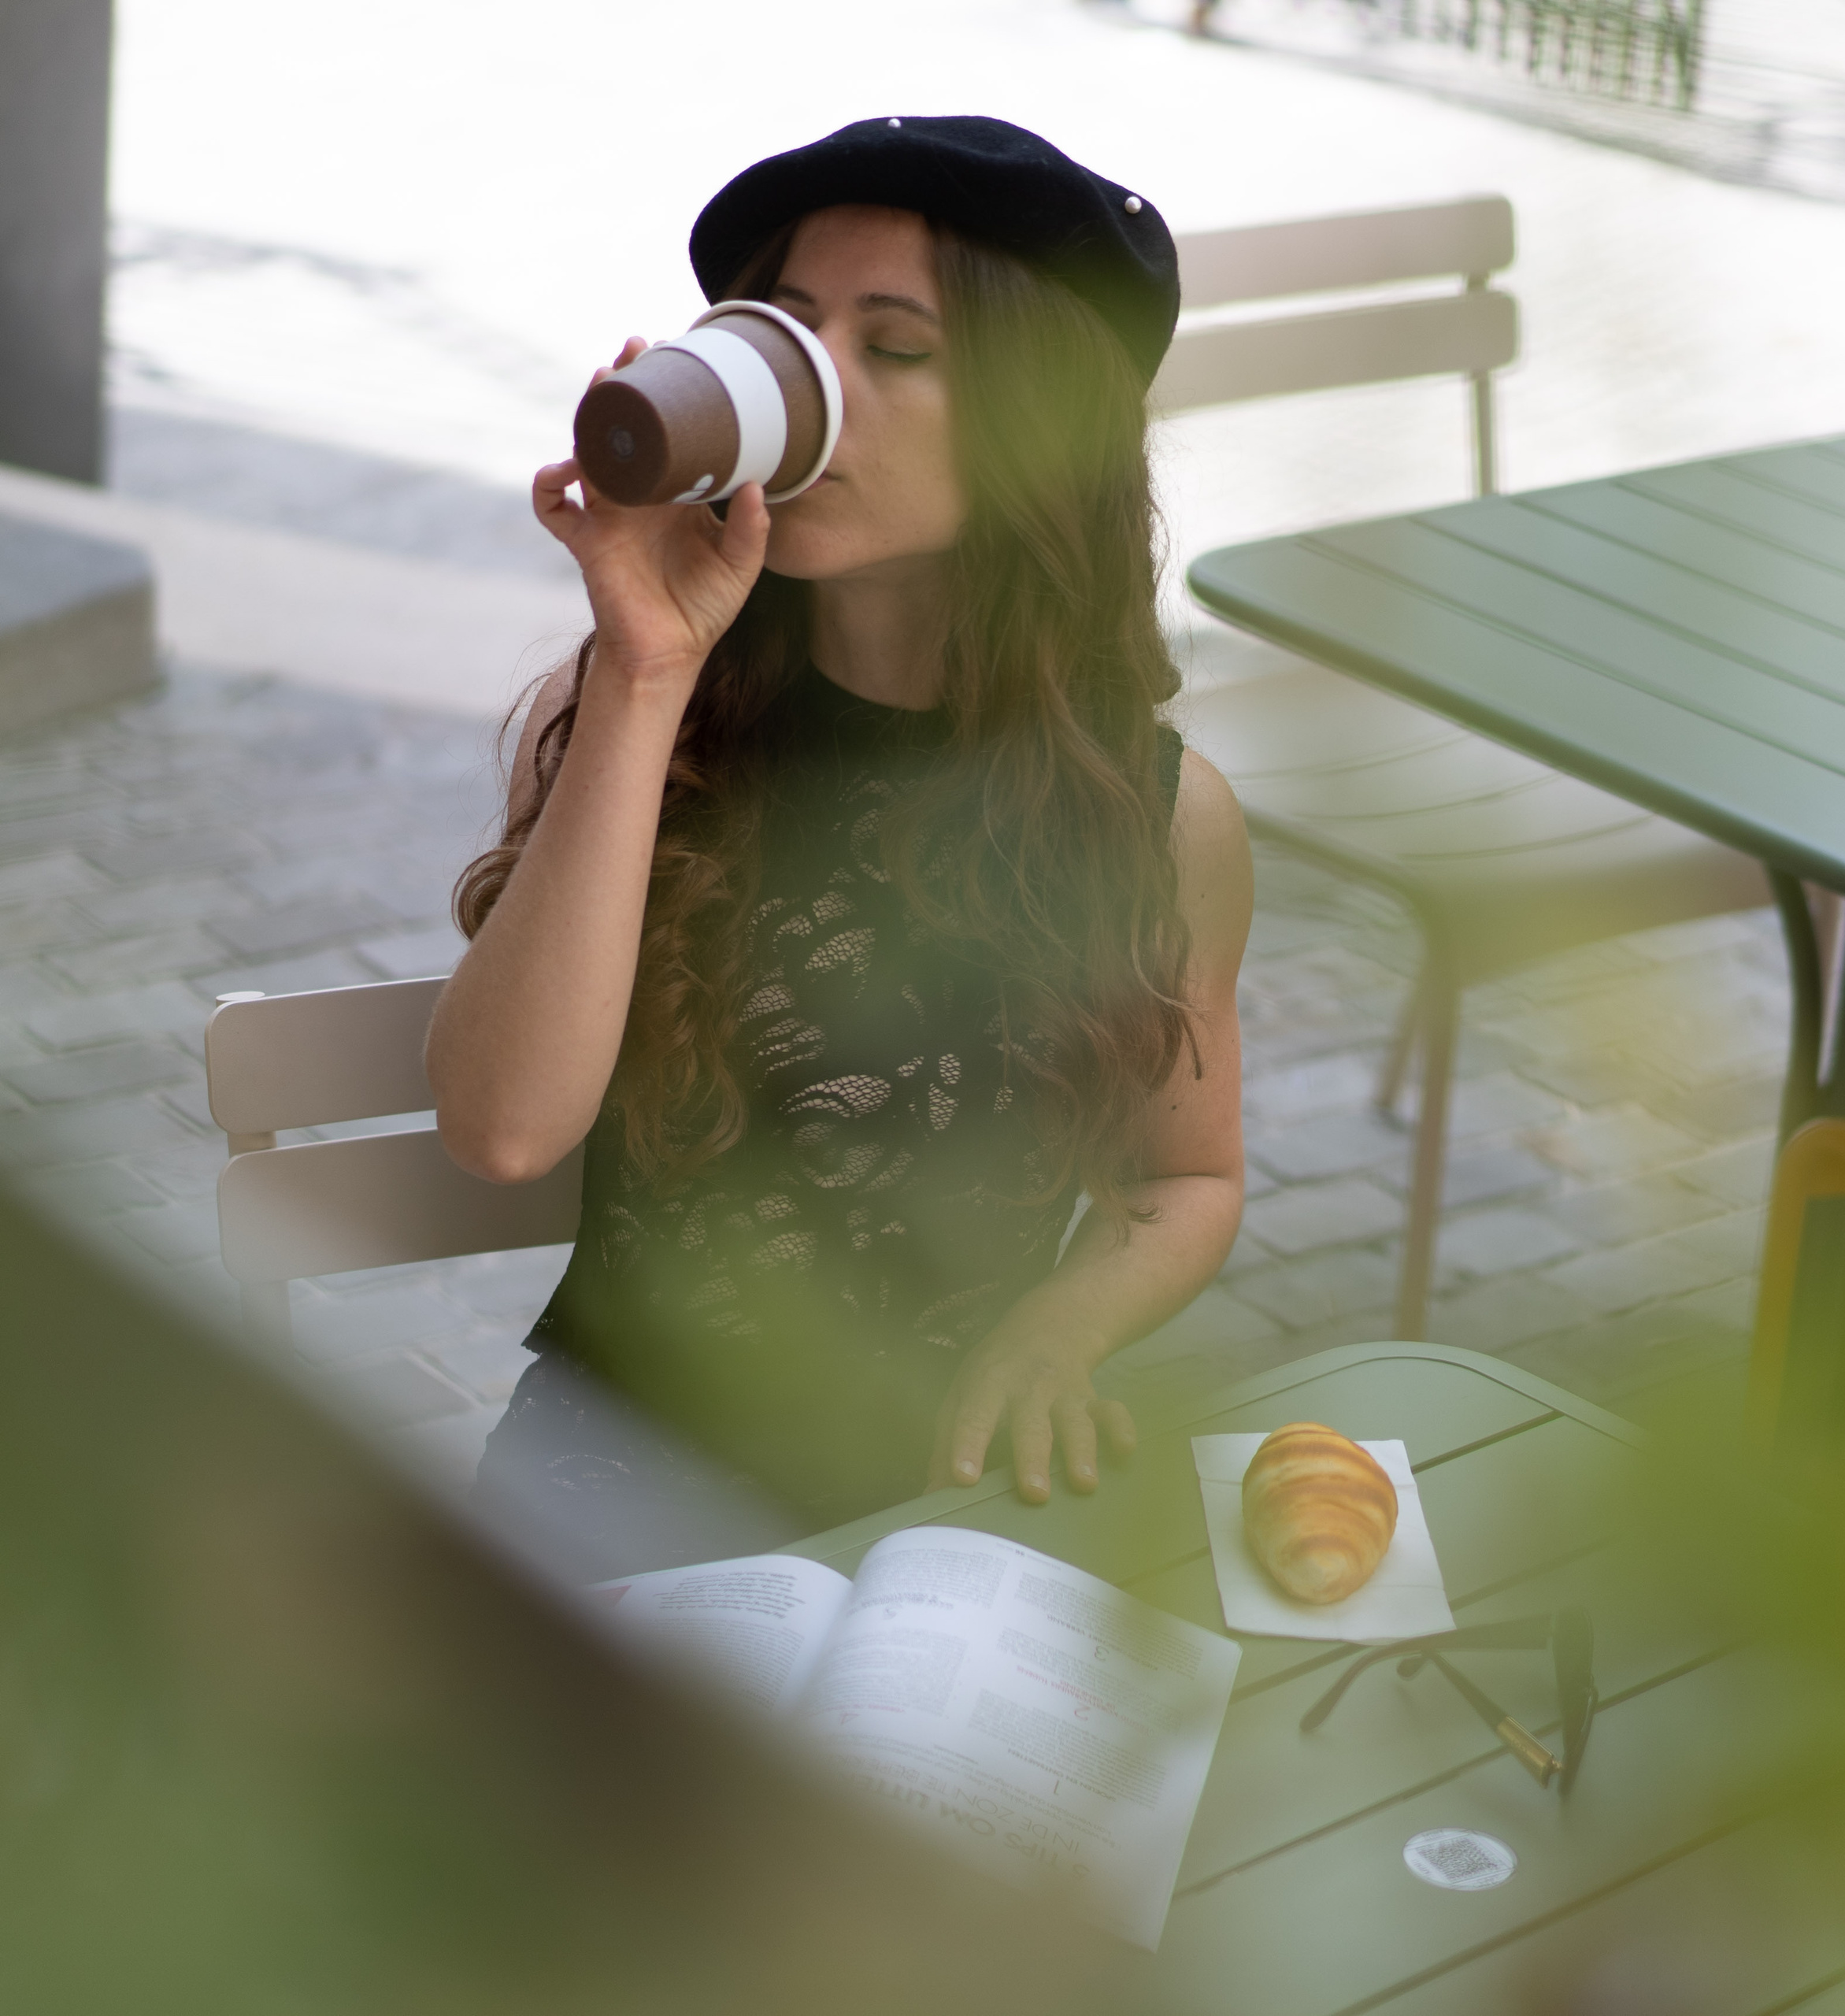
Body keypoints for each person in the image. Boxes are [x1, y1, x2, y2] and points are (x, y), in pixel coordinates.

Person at [428, 117, 1252, 1569]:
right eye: (789, 335)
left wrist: (1059, 1332)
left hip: (960, 1483)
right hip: (615, 1477)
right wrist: (641, 672)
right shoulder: (644, 714)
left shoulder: (1155, 814)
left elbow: (1185, 1180)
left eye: (901, 350)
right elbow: (502, 1128)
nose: (818, 396)